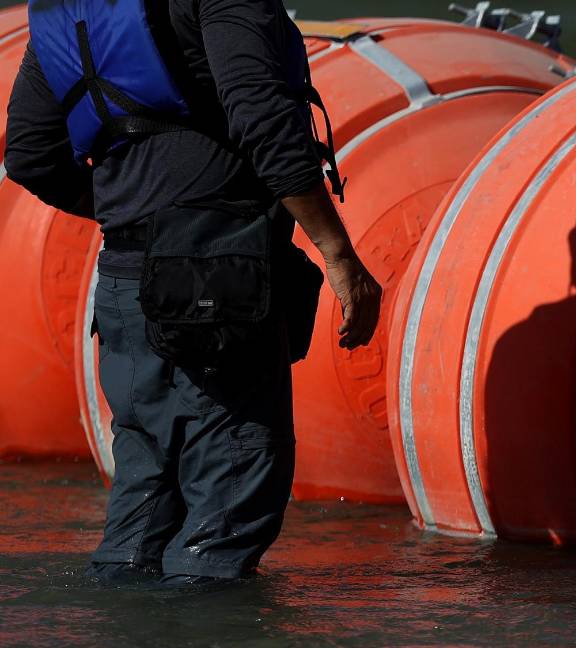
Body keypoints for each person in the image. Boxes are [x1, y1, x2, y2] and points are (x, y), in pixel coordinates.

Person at [5, 0, 382, 586]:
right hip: (216, 282)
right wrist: (336, 250)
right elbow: (263, 116)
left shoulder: (69, 6)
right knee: (231, 506)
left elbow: (30, 154)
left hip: (124, 283)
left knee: (141, 510)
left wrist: (132, 212)